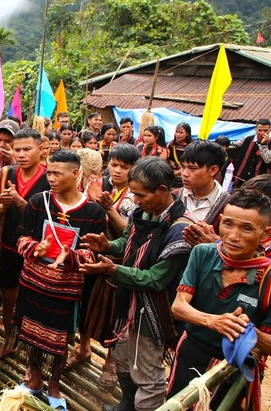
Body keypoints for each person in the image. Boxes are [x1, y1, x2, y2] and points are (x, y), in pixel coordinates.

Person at [80, 158, 193, 411]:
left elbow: (155, 279)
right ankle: (127, 403)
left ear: (162, 191)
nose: (136, 199)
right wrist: (108, 246)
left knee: (147, 371)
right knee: (122, 358)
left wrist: (113, 268)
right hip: (128, 303)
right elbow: (126, 241)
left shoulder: (180, 231)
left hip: (152, 312)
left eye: (141, 194)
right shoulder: (141, 212)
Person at [168, 189, 271, 410]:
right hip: (190, 355)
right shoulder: (203, 254)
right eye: (228, 224)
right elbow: (179, 306)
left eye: (246, 228)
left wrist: (247, 331)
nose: (233, 236)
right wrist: (214, 321)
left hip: (234, 369)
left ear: (264, 234)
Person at [14, 149, 106, 410]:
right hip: (33, 281)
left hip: (66, 288)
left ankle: (53, 385)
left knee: (59, 338)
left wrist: (72, 256)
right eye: (49, 172)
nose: (51, 178)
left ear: (76, 174)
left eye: (57, 173)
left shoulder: (93, 212)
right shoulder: (37, 202)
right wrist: (35, 247)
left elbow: (94, 251)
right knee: (30, 333)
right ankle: (34, 378)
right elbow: (20, 235)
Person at [0, 128, 50, 360]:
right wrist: (2, 207)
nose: (21, 154)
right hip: (7, 246)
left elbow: (51, 221)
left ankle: (36, 349)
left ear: (41, 149)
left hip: (39, 250)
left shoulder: (50, 178)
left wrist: (21, 203)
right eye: (17, 150)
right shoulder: (4, 174)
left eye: (27, 149)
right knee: (9, 300)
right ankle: (10, 341)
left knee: (37, 301)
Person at [80, 143, 139, 388]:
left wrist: (107, 208)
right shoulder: (103, 186)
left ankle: (110, 362)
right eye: (113, 165)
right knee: (86, 305)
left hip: (119, 261)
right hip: (93, 254)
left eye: (124, 167)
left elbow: (131, 231)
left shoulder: (137, 195)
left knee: (114, 313)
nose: (117, 171)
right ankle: (83, 348)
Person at [177, 140, 231, 246]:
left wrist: (215, 242)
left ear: (213, 170)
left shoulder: (228, 206)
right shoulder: (175, 196)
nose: (184, 174)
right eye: (183, 167)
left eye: (193, 168)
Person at [229, 119, 271, 188]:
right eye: (260, 130)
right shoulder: (247, 139)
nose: (262, 133)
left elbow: (268, 160)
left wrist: (264, 145)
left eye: (265, 130)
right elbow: (235, 145)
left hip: (260, 181)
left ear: (270, 131)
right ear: (255, 130)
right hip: (240, 178)